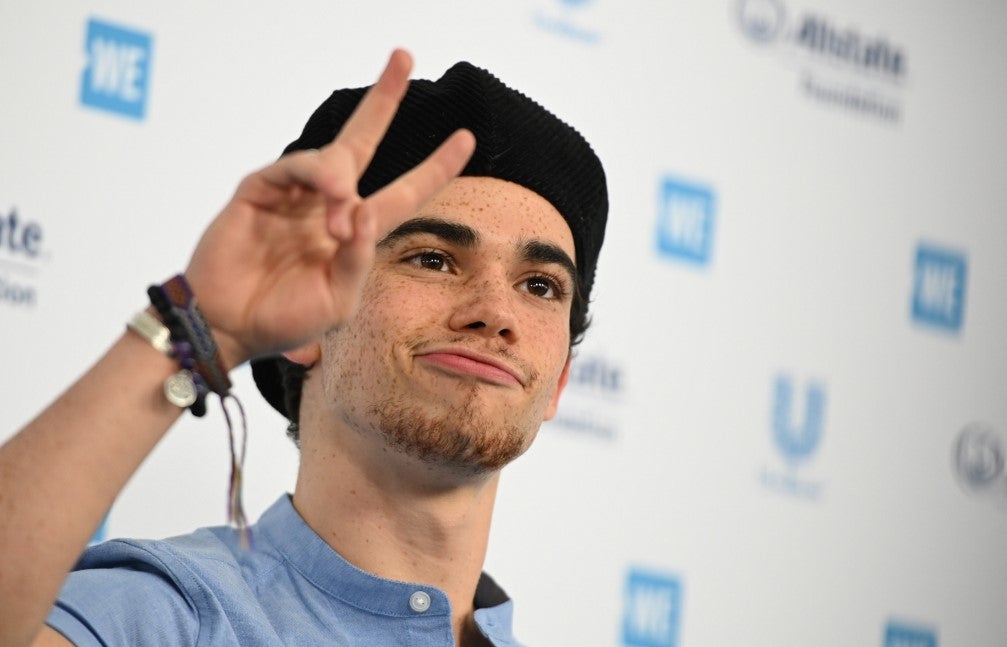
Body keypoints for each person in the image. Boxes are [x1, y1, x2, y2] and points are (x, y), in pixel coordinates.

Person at [0, 49, 608, 647]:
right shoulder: (161, 618)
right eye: (433, 259)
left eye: (540, 285)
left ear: (560, 378)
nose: (496, 312)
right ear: (309, 328)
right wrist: (204, 326)